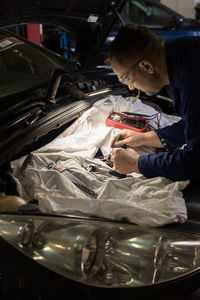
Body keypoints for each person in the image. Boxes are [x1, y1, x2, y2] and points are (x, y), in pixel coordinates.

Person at [105, 24, 200, 182]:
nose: (131, 87)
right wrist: (147, 138)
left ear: (146, 66)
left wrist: (137, 163)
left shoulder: (193, 74)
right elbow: (193, 123)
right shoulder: (179, 59)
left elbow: (196, 162)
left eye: (127, 79)